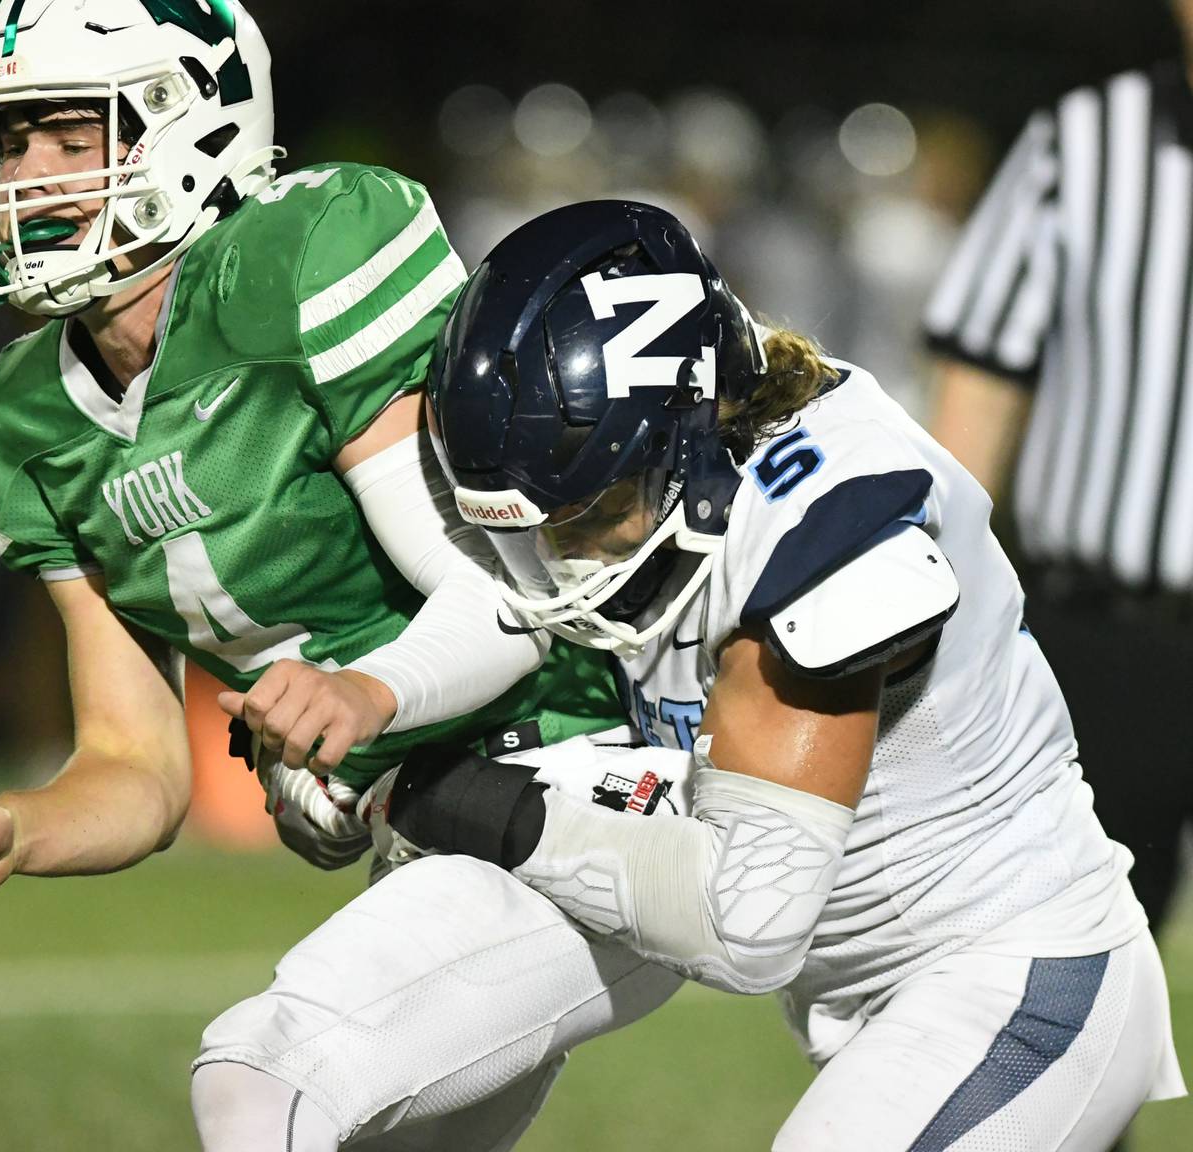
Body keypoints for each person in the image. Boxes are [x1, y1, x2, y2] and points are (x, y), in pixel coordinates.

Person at [0, 3, 698, 1149]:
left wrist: (360, 703)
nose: (30, 175)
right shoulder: (19, 431)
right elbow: (134, 766)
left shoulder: (302, 255)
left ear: (188, 126)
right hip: (437, 833)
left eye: (70, 135)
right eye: (7, 143)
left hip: (591, 788)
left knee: (263, 1077)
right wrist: (20, 829)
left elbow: (512, 602)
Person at [365, 199, 1185, 1150]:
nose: (565, 558)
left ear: (690, 436)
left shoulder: (823, 529)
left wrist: (470, 803)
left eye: (591, 510)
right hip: (894, 995)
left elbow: (747, 921)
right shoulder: (679, 483)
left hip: (1018, 979)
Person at [923, 6, 1193, 947]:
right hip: (1108, 637)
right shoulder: (1081, 143)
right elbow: (981, 377)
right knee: (1063, 964)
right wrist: (938, 602)